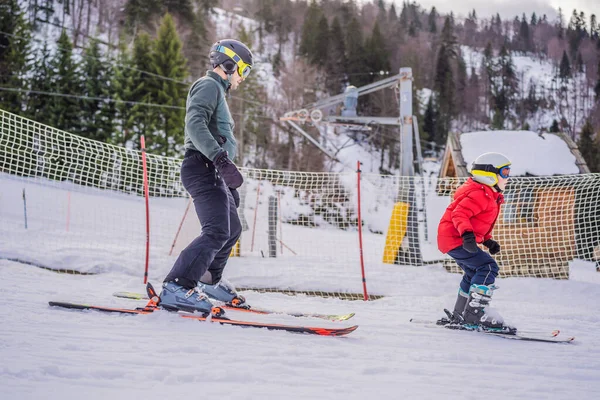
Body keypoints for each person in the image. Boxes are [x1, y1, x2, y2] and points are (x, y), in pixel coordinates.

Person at [158, 39, 254, 314]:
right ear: (229, 64)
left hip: (213, 169)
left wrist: (224, 174)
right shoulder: (209, 84)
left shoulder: (218, 91)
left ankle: (208, 279)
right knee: (216, 231)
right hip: (202, 166)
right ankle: (176, 285)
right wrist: (220, 158)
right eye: (243, 70)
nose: (243, 78)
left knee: (232, 228)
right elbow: (194, 123)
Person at [437, 152, 511, 329]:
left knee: (473, 272)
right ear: (489, 174)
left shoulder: (488, 194)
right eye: (505, 172)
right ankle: (475, 314)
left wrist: (487, 241)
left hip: (453, 239)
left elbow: (478, 222)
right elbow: (460, 214)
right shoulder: (479, 194)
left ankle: (460, 313)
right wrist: (467, 236)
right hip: (456, 238)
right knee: (488, 267)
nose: (508, 177)